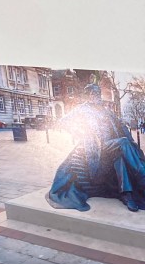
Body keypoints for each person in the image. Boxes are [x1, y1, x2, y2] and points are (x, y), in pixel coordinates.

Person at [46, 84, 145, 212]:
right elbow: (63, 121)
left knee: (120, 156)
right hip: (96, 148)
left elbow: (121, 125)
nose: (97, 96)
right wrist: (79, 133)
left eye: (98, 93)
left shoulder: (105, 110)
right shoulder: (82, 109)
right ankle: (142, 175)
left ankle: (127, 195)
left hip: (111, 146)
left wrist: (133, 144)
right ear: (89, 95)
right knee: (123, 142)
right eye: (94, 93)